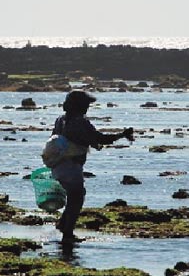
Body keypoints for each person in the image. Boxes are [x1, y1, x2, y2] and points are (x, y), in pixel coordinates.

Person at [51, 90, 134, 244]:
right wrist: (122, 135)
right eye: (86, 105)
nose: (87, 108)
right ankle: (67, 234)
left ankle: (63, 224)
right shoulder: (80, 122)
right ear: (79, 106)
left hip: (57, 166)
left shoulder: (60, 120)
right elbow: (100, 139)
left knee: (74, 195)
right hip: (71, 166)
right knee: (77, 197)